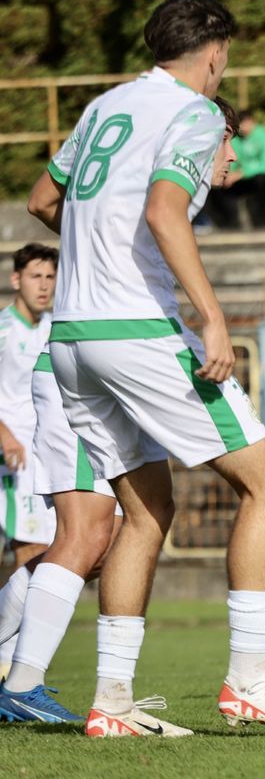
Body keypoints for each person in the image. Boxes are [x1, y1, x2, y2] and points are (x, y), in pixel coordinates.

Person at [24, 0, 265, 736]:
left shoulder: (106, 105)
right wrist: (213, 314)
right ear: (215, 53)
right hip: (137, 329)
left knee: (145, 510)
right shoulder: (197, 113)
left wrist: (94, 252)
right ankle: (250, 680)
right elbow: (164, 210)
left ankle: (112, 701)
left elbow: (43, 200)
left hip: (71, 336)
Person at [0, 100, 242, 727]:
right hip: (94, 364)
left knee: (100, 533)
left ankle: (23, 672)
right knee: (86, 537)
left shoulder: (111, 142)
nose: (232, 156)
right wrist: (209, 317)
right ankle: (21, 679)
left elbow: (39, 200)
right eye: (227, 142)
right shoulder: (167, 180)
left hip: (71, 359)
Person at [0, 243, 58, 677]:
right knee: (33, 552)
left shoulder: (55, 327)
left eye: (50, 277)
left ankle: (14, 667)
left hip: (45, 457)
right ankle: (14, 667)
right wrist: (4, 435)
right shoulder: (3, 330)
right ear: (16, 279)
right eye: (36, 276)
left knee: (48, 553)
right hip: (12, 463)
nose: (44, 286)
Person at [206, 108, 265, 229]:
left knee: (262, 180)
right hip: (241, 178)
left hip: (260, 177)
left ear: (251, 121)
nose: (241, 126)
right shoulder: (237, 138)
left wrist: (242, 173)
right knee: (219, 184)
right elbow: (233, 159)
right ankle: (227, 223)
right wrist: (228, 174)